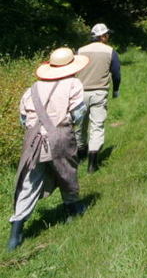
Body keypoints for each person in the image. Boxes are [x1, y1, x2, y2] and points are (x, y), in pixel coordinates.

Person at [7, 47, 89, 252]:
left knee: (29, 182)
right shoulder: (74, 84)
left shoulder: (32, 88)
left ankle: (15, 235)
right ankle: (73, 211)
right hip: (60, 135)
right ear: (71, 66)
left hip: (33, 138)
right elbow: (78, 114)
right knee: (67, 174)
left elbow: (24, 119)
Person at [74, 23, 121, 173]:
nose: (108, 37)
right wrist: (116, 90)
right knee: (97, 125)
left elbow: (72, 70)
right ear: (102, 36)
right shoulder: (110, 51)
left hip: (80, 92)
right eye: (107, 34)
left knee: (80, 124)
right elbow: (116, 73)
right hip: (99, 92)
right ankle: (92, 164)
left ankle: (80, 155)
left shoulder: (80, 50)